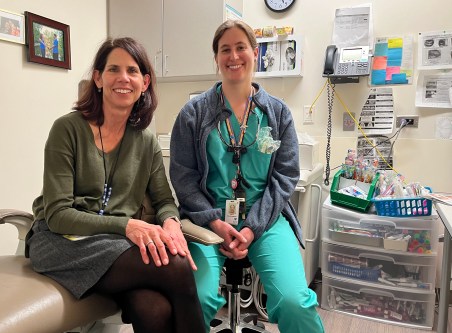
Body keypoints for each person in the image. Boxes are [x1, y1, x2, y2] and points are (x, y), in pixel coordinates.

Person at [26, 37, 205, 333]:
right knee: (177, 266)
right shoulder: (67, 129)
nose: (124, 78)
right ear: (98, 78)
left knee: (154, 309)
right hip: (61, 243)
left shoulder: (146, 141)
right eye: (113, 70)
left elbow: (163, 200)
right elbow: (57, 215)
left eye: (133, 71)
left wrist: (172, 223)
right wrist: (127, 226)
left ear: (144, 83)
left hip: (112, 244)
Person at [170, 20, 325, 333]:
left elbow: (284, 177)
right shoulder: (193, 114)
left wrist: (252, 227)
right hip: (206, 222)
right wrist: (215, 221)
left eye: (241, 47)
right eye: (225, 49)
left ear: (255, 53)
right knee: (195, 298)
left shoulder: (277, 114)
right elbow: (183, 179)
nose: (233, 55)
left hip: (265, 219)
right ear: (216, 58)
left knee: (295, 301)